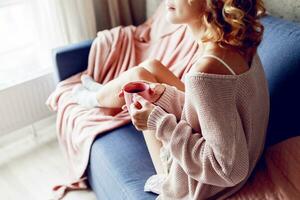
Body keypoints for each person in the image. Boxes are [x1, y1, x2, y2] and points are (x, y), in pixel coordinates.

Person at [72, 0, 269, 199]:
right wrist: (164, 96)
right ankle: (101, 94)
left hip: (199, 183)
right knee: (151, 67)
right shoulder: (239, 44)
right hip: (245, 153)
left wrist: (156, 121)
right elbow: (212, 110)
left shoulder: (206, 72)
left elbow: (228, 170)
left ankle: (93, 98)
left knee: (139, 77)